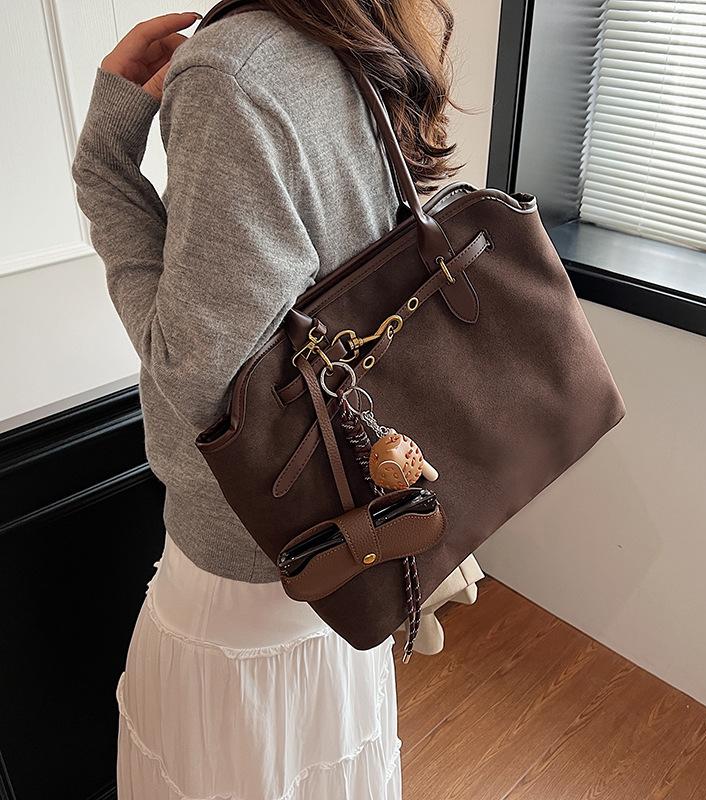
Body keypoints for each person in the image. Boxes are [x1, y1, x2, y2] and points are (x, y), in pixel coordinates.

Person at [71, 1, 458, 797]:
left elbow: (197, 375)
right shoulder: (363, 33)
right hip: (347, 535)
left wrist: (104, 162)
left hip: (247, 569)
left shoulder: (232, 68)